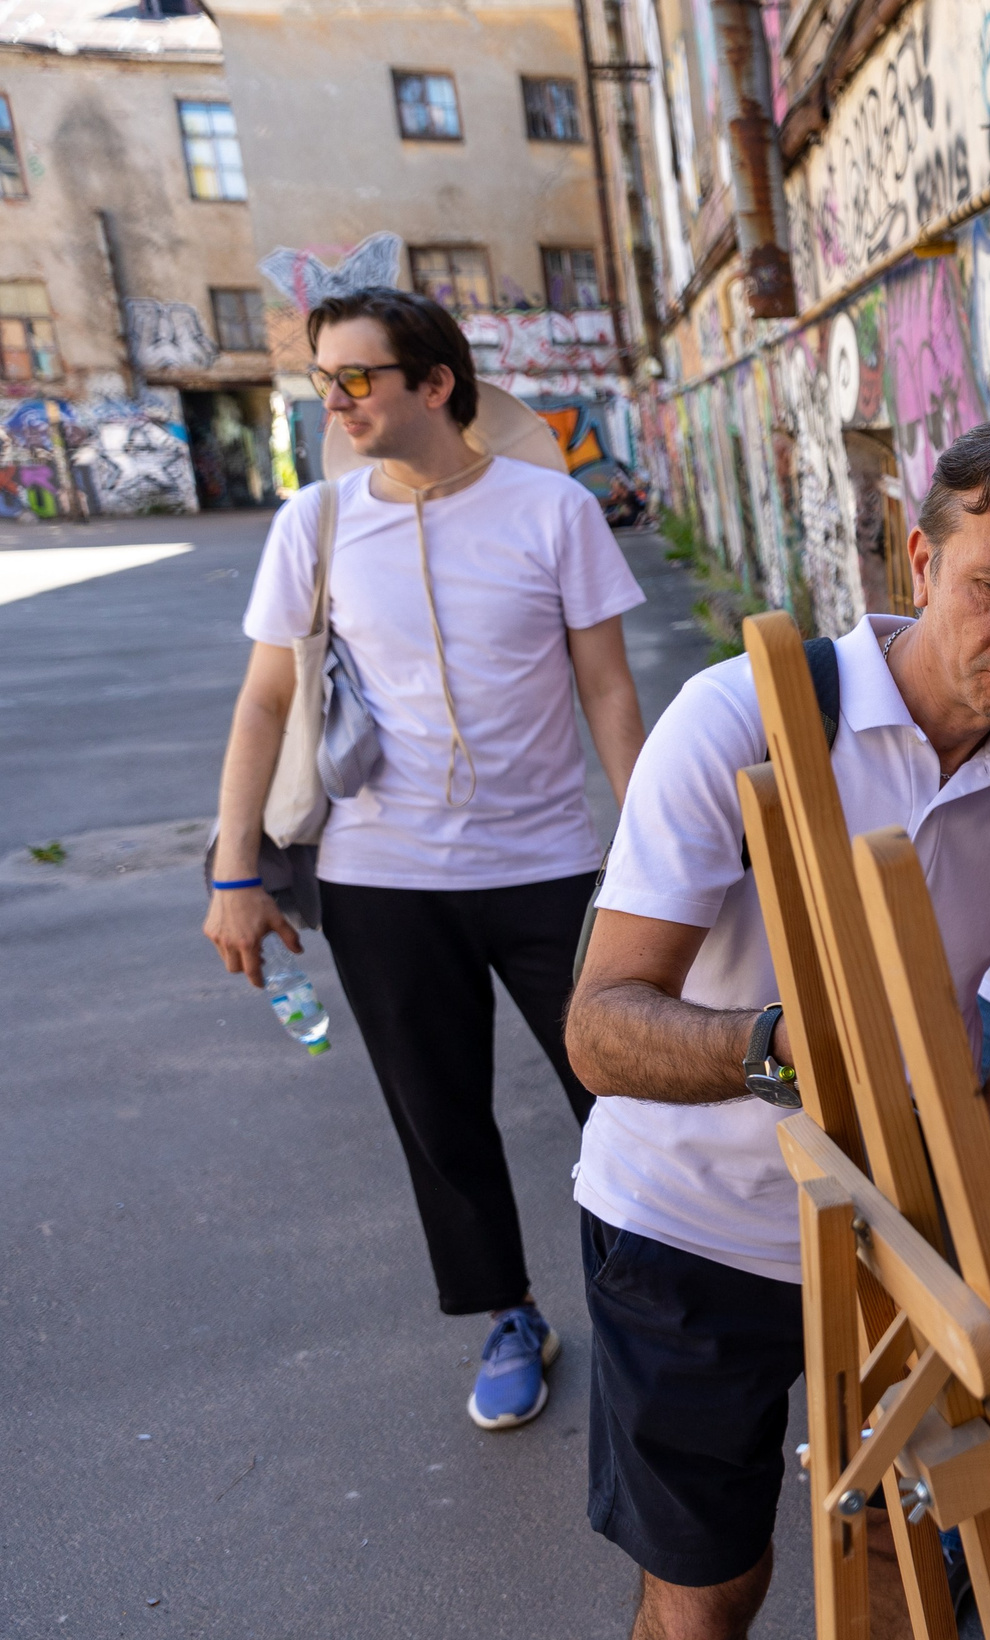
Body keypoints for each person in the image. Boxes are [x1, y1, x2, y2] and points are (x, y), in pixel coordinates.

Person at [561, 405, 990, 1640]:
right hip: (684, 1227)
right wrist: (786, 1052)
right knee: (707, 1615)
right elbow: (600, 1025)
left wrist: (954, 1233)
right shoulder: (744, 721)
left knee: (893, 1579)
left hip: (890, 1250)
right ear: (917, 556)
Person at [203, 286, 645, 1433]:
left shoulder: (554, 512)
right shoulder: (318, 524)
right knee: (438, 1115)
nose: (335, 401)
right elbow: (263, 702)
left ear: (434, 384)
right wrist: (234, 873)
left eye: (357, 378)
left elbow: (607, 686)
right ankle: (507, 1312)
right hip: (382, 878)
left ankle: (657, 1297)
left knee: (630, 1094)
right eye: (324, 380)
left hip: (550, 864)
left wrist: (663, 845)